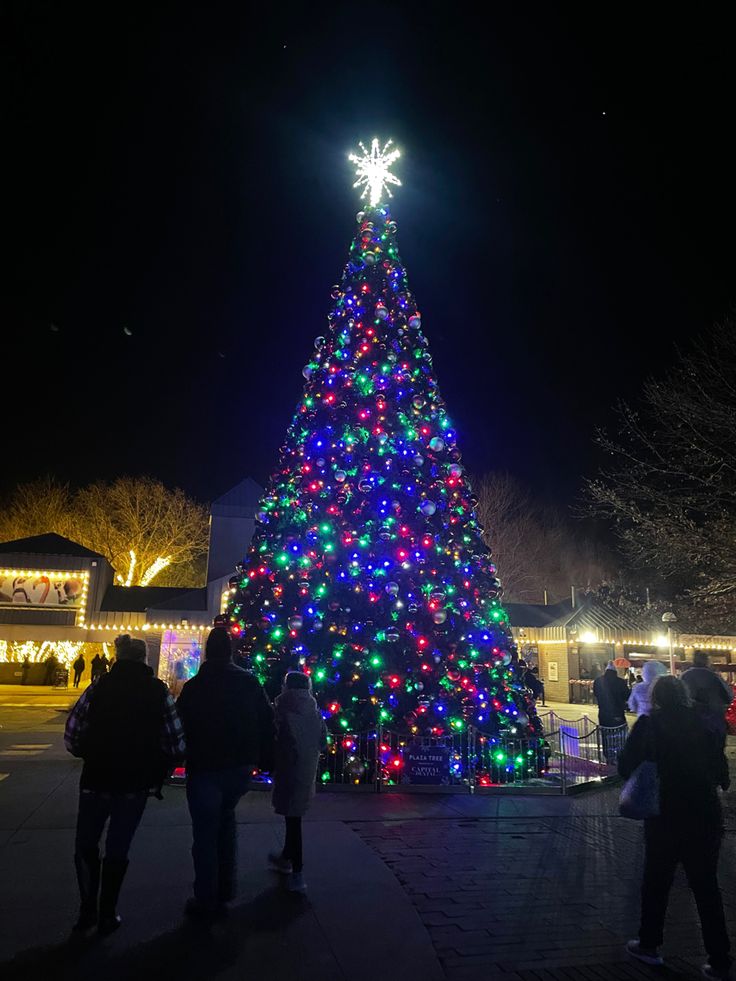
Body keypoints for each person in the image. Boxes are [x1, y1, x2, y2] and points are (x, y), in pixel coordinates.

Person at [64, 634, 185, 934]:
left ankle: (87, 908)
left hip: (96, 778)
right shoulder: (158, 691)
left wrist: (87, 751)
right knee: (118, 847)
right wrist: (159, 765)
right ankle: (108, 912)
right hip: (134, 783)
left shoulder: (99, 686)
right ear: (144, 659)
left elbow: (72, 732)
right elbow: (175, 741)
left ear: (119, 658)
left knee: (87, 844)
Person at [619, 676, 730, 979]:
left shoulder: (649, 724)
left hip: (665, 812)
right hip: (704, 812)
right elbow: (721, 770)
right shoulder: (703, 724)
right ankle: (719, 959)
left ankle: (649, 943)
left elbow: (625, 765)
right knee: (706, 887)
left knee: (657, 881)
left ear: (655, 697)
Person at [176, 627, 274, 919]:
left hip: (205, 767)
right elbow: (267, 722)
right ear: (230, 651)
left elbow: (179, 724)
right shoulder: (249, 683)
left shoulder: (195, 687)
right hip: (239, 768)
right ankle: (226, 886)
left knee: (205, 834)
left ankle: (206, 897)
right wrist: (263, 759)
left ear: (208, 652)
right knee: (227, 820)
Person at [268, 671, 327, 894]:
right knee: (294, 816)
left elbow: (275, 735)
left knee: (293, 820)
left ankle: (297, 870)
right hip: (307, 768)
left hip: (288, 767)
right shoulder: (314, 710)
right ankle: (286, 857)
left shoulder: (281, 707)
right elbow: (323, 740)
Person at [682, 652, 734, 742]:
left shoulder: (685, 676)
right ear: (707, 662)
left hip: (692, 722)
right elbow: (729, 695)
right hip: (714, 721)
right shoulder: (714, 676)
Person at [593, 661, 629, 763]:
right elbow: (627, 696)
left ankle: (608, 756)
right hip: (618, 714)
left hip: (604, 714)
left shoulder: (598, 681)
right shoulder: (621, 682)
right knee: (619, 737)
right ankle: (619, 757)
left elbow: (596, 694)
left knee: (606, 736)